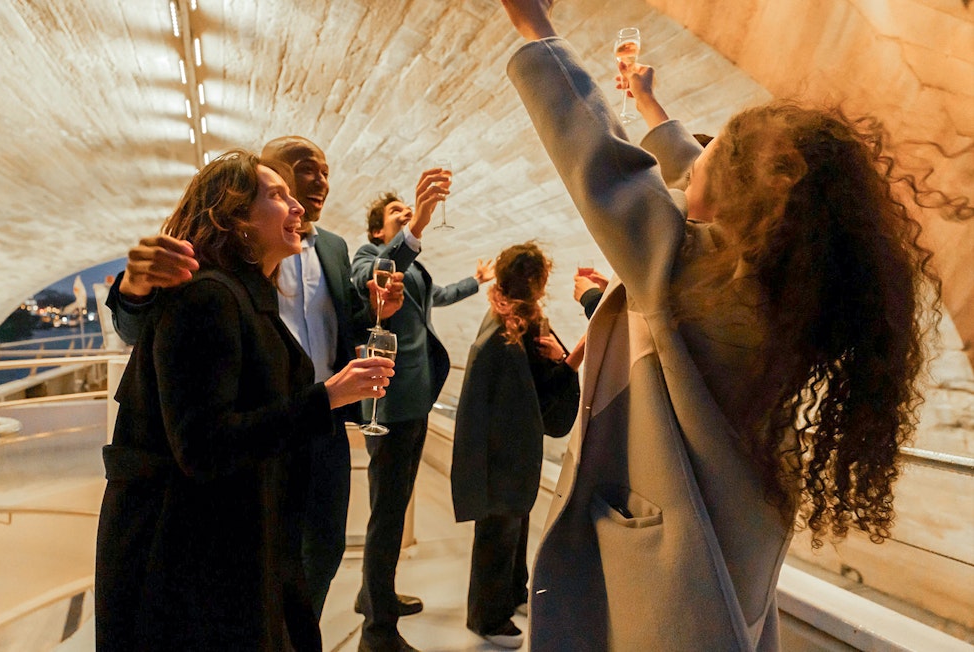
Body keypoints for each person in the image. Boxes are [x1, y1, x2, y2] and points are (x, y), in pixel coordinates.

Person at [499, 1, 937, 649]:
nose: (695, 156)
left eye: (716, 148)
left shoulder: (688, 274)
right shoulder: (776, 296)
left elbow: (605, 168)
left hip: (670, 575)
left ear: (746, 189)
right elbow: (684, 182)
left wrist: (537, 31)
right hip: (735, 542)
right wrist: (650, 106)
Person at [95, 150, 395, 651]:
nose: (297, 204)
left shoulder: (245, 292)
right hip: (189, 555)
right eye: (277, 195)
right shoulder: (208, 297)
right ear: (232, 219)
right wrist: (327, 396)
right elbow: (204, 446)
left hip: (236, 527)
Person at [350, 171, 495, 652]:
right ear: (378, 230)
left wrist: (476, 281)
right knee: (387, 515)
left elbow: (436, 298)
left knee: (391, 508)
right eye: (399, 215)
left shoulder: (413, 270)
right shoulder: (368, 257)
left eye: (409, 215)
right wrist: (415, 230)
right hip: (388, 404)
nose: (409, 217)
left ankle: (375, 596)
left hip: (414, 401)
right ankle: (377, 631)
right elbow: (374, 280)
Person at [451, 241, 577, 649]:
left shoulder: (521, 320)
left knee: (514, 526)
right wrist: (568, 363)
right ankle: (487, 618)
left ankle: (512, 594)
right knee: (498, 533)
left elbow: (537, 388)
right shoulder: (501, 334)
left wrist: (563, 361)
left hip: (511, 451)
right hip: (500, 454)